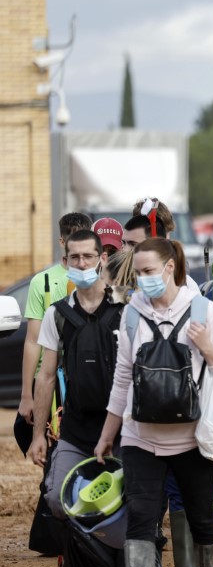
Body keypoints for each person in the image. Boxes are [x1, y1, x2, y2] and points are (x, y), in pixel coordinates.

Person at [93, 237, 213, 567]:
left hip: (192, 438)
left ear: (170, 267)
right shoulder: (130, 315)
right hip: (140, 435)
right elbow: (122, 379)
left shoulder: (202, 310)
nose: (142, 280)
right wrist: (109, 434)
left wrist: (208, 349)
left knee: (201, 520)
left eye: (148, 272)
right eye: (138, 273)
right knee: (141, 517)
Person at [29, 230, 119, 544]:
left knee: (135, 499)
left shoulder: (126, 308)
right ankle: (83, 555)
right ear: (65, 261)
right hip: (77, 430)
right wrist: (39, 434)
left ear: (102, 259)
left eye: (88, 256)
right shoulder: (57, 314)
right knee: (56, 499)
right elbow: (47, 376)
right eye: (75, 258)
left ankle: (121, 564)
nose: (81, 264)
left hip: (124, 429)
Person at [18, 212, 93, 430]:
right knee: (51, 448)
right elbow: (33, 341)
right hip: (49, 381)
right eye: (72, 240)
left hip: (86, 379)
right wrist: (26, 395)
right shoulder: (43, 282)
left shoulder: (99, 278)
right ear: (62, 242)